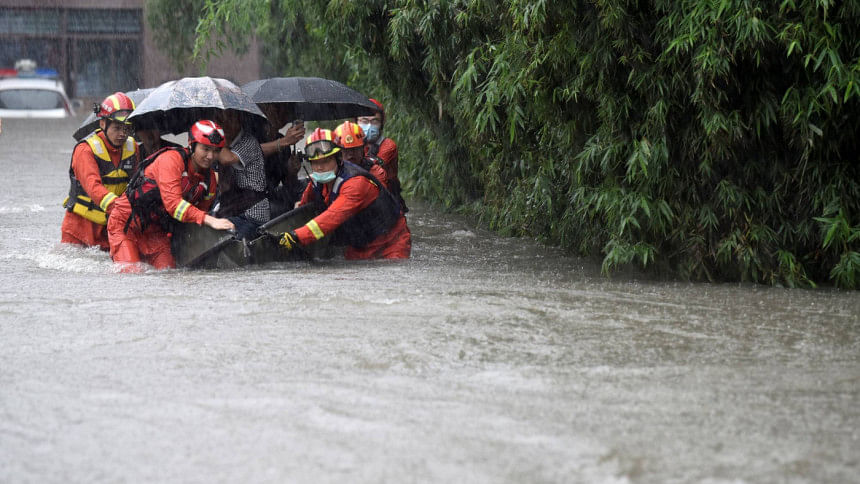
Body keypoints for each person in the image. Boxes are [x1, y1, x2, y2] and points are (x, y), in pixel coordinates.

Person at [106, 120, 234, 272]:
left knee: (169, 273)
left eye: (216, 151)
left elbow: (197, 216)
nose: (210, 156)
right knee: (132, 273)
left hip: (156, 231)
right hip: (127, 225)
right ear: (191, 145)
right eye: (205, 149)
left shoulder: (210, 180)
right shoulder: (171, 160)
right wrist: (210, 220)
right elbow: (174, 205)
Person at [275, 128, 411, 260]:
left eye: (326, 161)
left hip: (391, 245)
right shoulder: (317, 180)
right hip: (358, 246)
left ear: (339, 159)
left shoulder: (356, 184)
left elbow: (331, 218)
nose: (320, 167)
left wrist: (295, 236)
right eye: (315, 163)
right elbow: (303, 207)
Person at [61, 92, 140, 250]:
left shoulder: (133, 147)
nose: (122, 134)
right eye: (117, 128)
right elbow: (93, 187)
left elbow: (136, 184)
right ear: (103, 124)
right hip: (80, 229)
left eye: (127, 128)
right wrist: (120, 209)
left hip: (111, 227)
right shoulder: (85, 150)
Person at [358, 98, 408, 212]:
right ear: (356, 122)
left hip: (388, 199)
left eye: (374, 121)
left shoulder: (388, 145)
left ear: (381, 123)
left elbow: (370, 166)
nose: (369, 126)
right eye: (364, 121)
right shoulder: (353, 146)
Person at [333, 121, 388, 187]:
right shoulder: (331, 172)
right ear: (338, 153)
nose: (350, 154)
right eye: (345, 150)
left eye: (355, 149)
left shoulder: (375, 172)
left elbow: (382, 194)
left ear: (363, 149)